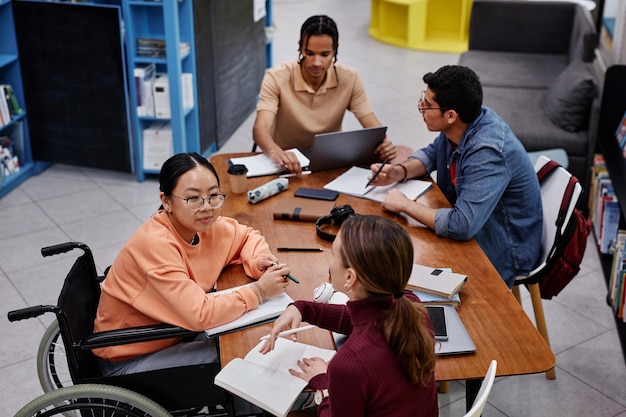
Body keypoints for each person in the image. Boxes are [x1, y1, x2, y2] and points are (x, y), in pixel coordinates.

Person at [94, 152, 291, 376]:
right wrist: (259, 291)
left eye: (213, 195)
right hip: (131, 356)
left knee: (246, 337)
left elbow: (246, 236)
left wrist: (258, 261)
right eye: (193, 198)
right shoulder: (155, 244)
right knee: (241, 356)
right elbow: (200, 315)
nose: (206, 207)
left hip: (174, 332)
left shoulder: (200, 225)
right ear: (166, 202)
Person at [368, 65, 542, 288]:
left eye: (428, 104)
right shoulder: (467, 119)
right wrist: (398, 172)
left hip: (503, 249)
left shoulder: (487, 152)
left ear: (450, 116)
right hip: (479, 227)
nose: (421, 106)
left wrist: (406, 205)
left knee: (402, 264)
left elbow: (462, 225)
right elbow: (432, 154)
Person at [260, 215, 438, 417]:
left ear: (350, 277)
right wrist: (302, 309)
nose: (330, 261)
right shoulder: (413, 307)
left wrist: (324, 384)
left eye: (334, 254)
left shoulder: (349, 364)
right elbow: (362, 322)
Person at [252, 15, 397, 174]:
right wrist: (275, 151)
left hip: (329, 163)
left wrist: (384, 144)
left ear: (336, 49)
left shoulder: (349, 77)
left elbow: (372, 125)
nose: (316, 62)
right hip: (286, 164)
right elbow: (260, 128)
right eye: (309, 52)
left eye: (325, 54)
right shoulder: (276, 77)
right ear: (300, 47)